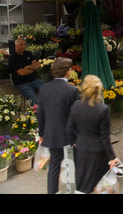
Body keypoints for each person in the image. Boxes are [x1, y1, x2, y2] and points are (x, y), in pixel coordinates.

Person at [67, 75, 121, 194]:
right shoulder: (102, 109)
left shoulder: (76, 106)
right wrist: (112, 157)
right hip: (98, 153)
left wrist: (76, 141)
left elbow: (69, 129)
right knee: (106, 184)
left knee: (82, 185)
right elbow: (105, 137)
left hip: (81, 150)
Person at [37, 57, 80, 194]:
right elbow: (76, 116)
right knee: (76, 164)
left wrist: (42, 134)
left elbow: (40, 113)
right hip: (70, 136)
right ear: (68, 71)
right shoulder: (72, 90)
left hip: (52, 134)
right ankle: (77, 189)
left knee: (54, 167)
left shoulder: (44, 89)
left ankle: (52, 192)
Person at [9, 38, 44, 105]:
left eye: (24, 45)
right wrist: (33, 68)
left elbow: (38, 65)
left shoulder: (28, 53)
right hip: (22, 83)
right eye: (21, 45)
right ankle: (40, 114)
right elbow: (21, 73)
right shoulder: (13, 58)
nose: (23, 46)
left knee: (50, 91)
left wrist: (28, 67)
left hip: (35, 79)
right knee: (35, 102)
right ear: (15, 46)